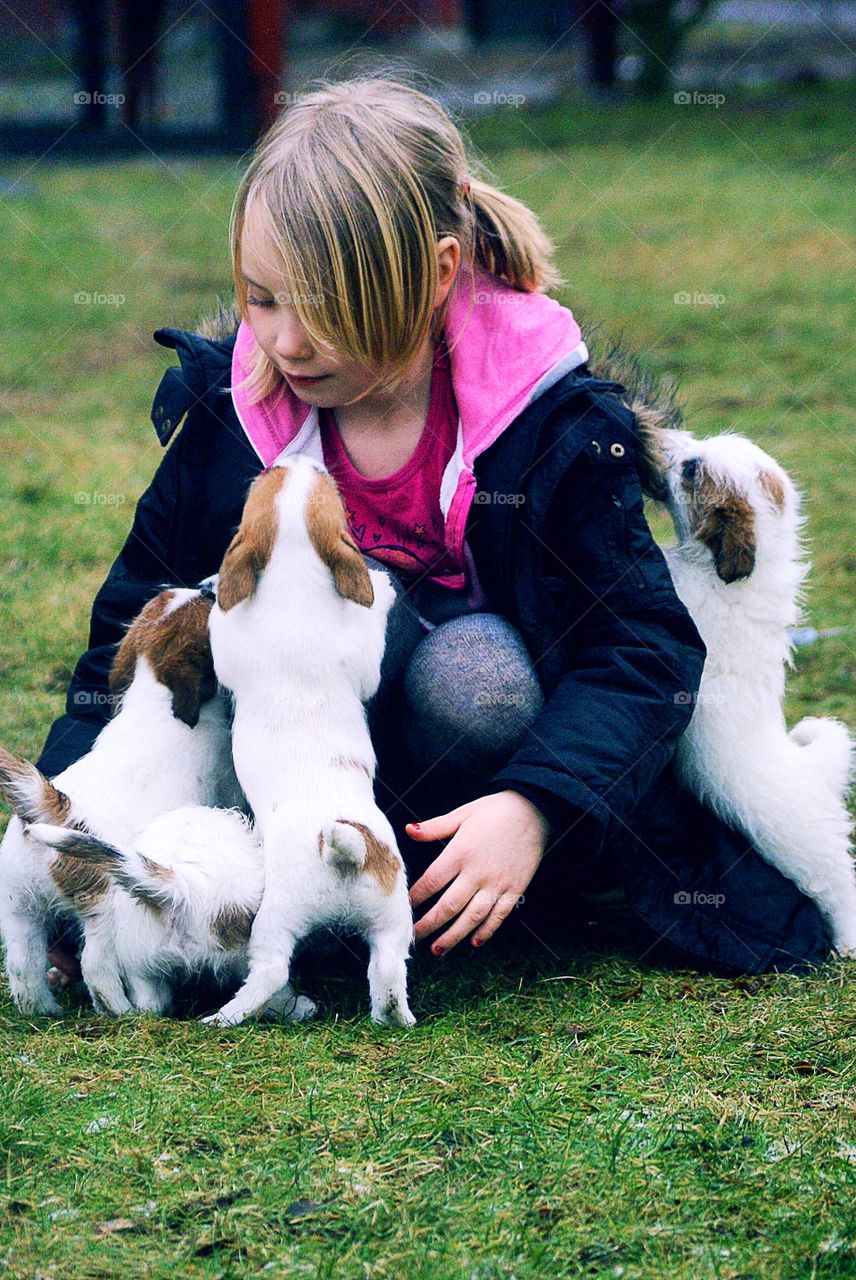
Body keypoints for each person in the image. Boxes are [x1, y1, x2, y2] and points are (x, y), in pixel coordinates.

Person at [38, 76, 832, 981]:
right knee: (203, 633)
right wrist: (75, 826)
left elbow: (642, 648)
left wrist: (535, 808)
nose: (287, 342)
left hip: (466, 777)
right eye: (262, 300)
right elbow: (132, 625)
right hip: (288, 779)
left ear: (439, 273)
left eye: (327, 308)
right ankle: (294, 891)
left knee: (476, 673)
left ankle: (472, 885)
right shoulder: (234, 416)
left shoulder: (550, 429)